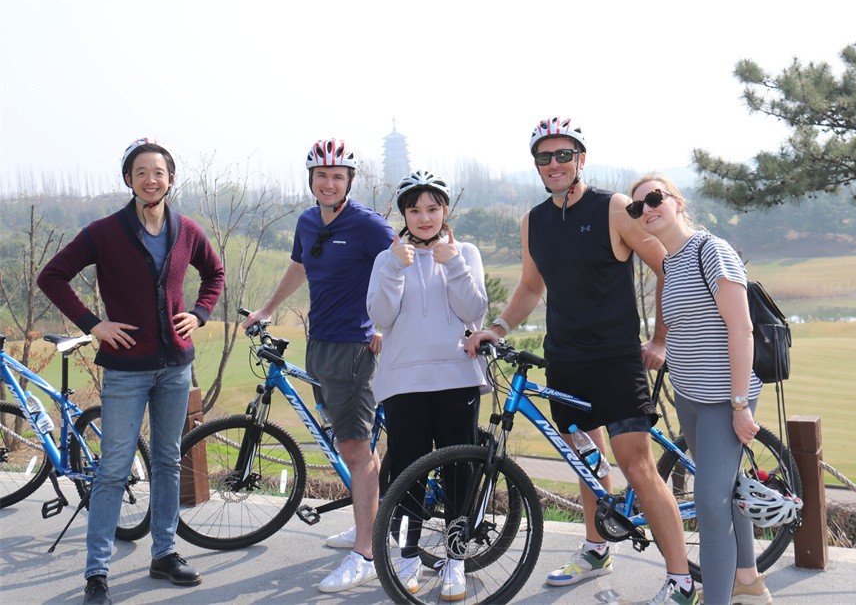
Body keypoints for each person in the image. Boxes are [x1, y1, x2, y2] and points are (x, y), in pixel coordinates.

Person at [464, 117, 699, 604]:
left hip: (616, 360)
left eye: (563, 155)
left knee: (637, 467)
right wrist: (498, 328)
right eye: (544, 157)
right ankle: (596, 550)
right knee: (587, 462)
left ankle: (682, 582)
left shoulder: (612, 208)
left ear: (581, 159)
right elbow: (531, 286)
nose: (554, 164)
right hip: (565, 362)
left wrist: (659, 340)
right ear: (536, 164)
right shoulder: (533, 221)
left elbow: (667, 264)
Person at [37, 138, 225, 605]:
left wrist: (199, 314)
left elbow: (215, 274)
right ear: (128, 179)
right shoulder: (104, 232)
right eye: (141, 172)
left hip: (175, 367)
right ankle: (97, 574)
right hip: (125, 370)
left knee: (167, 461)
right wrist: (93, 324)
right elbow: (52, 276)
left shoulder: (186, 230)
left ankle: (165, 554)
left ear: (170, 179)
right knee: (113, 469)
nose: (150, 179)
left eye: (158, 172)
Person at [241, 138, 393, 594]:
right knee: (351, 444)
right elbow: (299, 267)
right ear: (311, 179)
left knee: (355, 450)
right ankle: (369, 523)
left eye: (337, 176)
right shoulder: (308, 221)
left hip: (355, 348)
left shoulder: (368, 225)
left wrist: (385, 326)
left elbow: (406, 268)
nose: (329, 183)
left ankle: (366, 553)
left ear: (349, 181)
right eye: (321, 175)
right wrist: (267, 309)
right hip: (320, 344)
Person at [628, 174, 770, 605]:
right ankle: (748, 580)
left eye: (654, 198)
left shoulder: (712, 250)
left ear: (678, 202)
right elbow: (683, 328)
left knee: (709, 503)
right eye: (636, 207)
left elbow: (741, 328)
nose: (646, 209)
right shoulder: (671, 263)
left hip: (724, 399)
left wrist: (740, 405)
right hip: (690, 396)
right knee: (727, 489)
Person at [366, 169, 488, 601]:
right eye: (414, 210)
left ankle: (456, 558)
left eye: (432, 209)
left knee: (459, 472)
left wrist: (452, 263)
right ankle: (407, 556)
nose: (423, 218)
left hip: (457, 377)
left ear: (444, 211)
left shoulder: (465, 252)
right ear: (403, 214)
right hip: (404, 381)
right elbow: (381, 317)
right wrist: (395, 267)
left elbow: (474, 310)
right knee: (407, 473)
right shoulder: (387, 259)